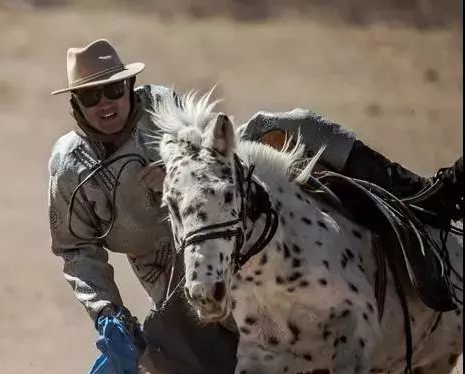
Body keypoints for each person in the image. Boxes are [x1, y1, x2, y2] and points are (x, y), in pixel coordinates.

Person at [48, 38, 461, 332]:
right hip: (170, 265)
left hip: (226, 212)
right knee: (192, 345)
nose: (105, 103)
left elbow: (204, 149)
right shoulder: (70, 165)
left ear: (130, 86)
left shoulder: (160, 105)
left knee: (292, 124)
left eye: (113, 89)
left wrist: (173, 166)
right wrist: (107, 314)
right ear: (75, 105)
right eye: (91, 96)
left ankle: (419, 195)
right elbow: (75, 248)